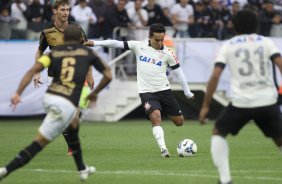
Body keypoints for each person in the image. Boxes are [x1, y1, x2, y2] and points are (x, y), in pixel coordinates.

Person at [0, 24, 112, 182]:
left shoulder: (54, 53)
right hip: (65, 102)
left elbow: (33, 70)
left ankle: (82, 169)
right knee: (68, 123)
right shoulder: (88, 52)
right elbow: (108, 74)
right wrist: (94, 94)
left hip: (50, 97)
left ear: (64, 39)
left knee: (68, 126)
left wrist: (18, 93)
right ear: (81, 39)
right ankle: (81, 167)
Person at [84, 23, 195, 157]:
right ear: (149, 37)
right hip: (146, 91)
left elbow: (179, 73)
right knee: (156, 117)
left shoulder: (168, 53)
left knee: (179, 122)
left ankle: (163, 110)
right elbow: (115, 43)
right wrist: (95, 43)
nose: (160, 43)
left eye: (162, 39)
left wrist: (187, 92)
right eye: (157, 40)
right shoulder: (139, 46)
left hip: (164, 91)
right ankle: (163, 149)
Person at [199, 10, 282, 184]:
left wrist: (206, 106)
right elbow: (280, 64)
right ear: (256, 25)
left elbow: (215, 76)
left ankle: (225, 180)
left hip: (241, 103)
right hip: (267, 101)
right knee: (279, 139)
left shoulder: (229, 45)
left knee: (218, 133)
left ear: (234, 26)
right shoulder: (266, 42)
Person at [33, 0, 94, 156]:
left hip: (76, 78)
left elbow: (86, 52)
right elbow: (40, 51)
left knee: (77, 114)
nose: (66, 13)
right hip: (54, 78)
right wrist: (37, 72)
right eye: (62, 10)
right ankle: (72, 146)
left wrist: (90, 74)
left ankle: (72, 135)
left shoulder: (77, 29)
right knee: (61, 113)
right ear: (55, 11)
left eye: (67, 9)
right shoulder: (47, 32)